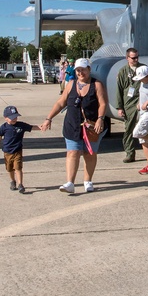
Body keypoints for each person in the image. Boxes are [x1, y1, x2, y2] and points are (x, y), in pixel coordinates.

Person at [42, 58, 108, 194]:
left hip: (91, 127)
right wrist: (48, 118)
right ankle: (70, 183)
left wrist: (100, 119)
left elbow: (103, 103)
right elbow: (61, 103)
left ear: (89, 69)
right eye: (78, 70)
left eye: (83, 69)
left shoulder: (97, 85)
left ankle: (87, 181)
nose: (80, 72)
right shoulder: (71, 84)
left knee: (89, 153)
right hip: (72, 125)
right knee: (72, 153)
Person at [0, 105, 40, 194]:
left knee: (18, 168)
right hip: (7, 152)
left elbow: (31, 127)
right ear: (5, 118)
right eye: (12, 118)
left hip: (17, 150)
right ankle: (12, 181)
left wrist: (41, 127)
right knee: (9, 169)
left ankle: (20, 184)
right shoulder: (4, 127)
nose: (14, 119)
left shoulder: (21, 125)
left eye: (16, 117)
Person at [115, 48, 143, 163]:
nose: (136, 59)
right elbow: (119, 90)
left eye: (137, 57)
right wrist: (120, 107)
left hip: (142, 101)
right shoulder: (123, 71)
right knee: (128, 129)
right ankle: (130, 153)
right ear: (127, 58)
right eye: (133, 58)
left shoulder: (143, 68)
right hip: (129, 104)